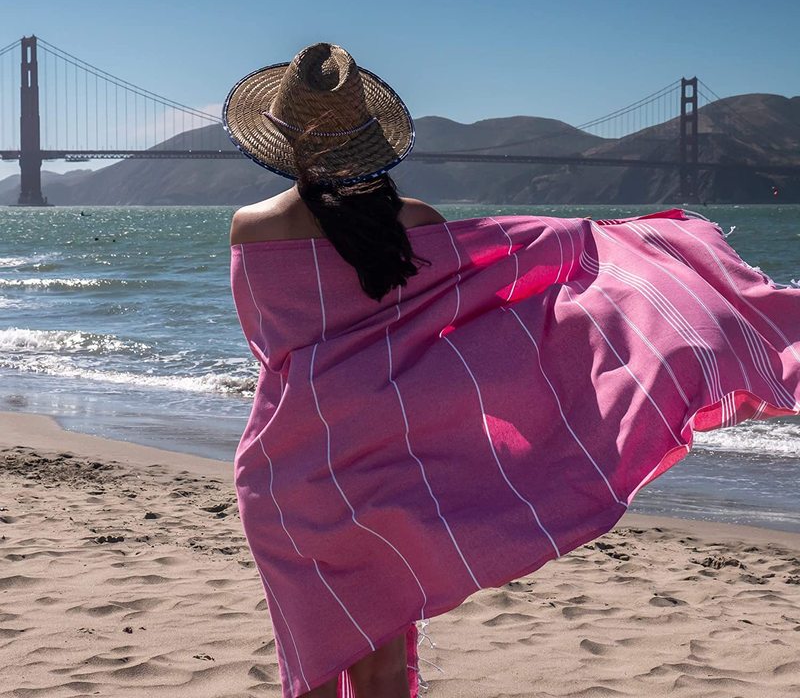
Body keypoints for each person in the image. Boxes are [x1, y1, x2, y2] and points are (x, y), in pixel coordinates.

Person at [225, 43, 800, 698]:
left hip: (292, 471)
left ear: (285, 140)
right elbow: (476, 323)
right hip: (389, 471)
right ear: (370, 140)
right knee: (381, 662)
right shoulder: (418, 225)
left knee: (318, 662)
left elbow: (269, 348)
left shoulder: (253, 229)